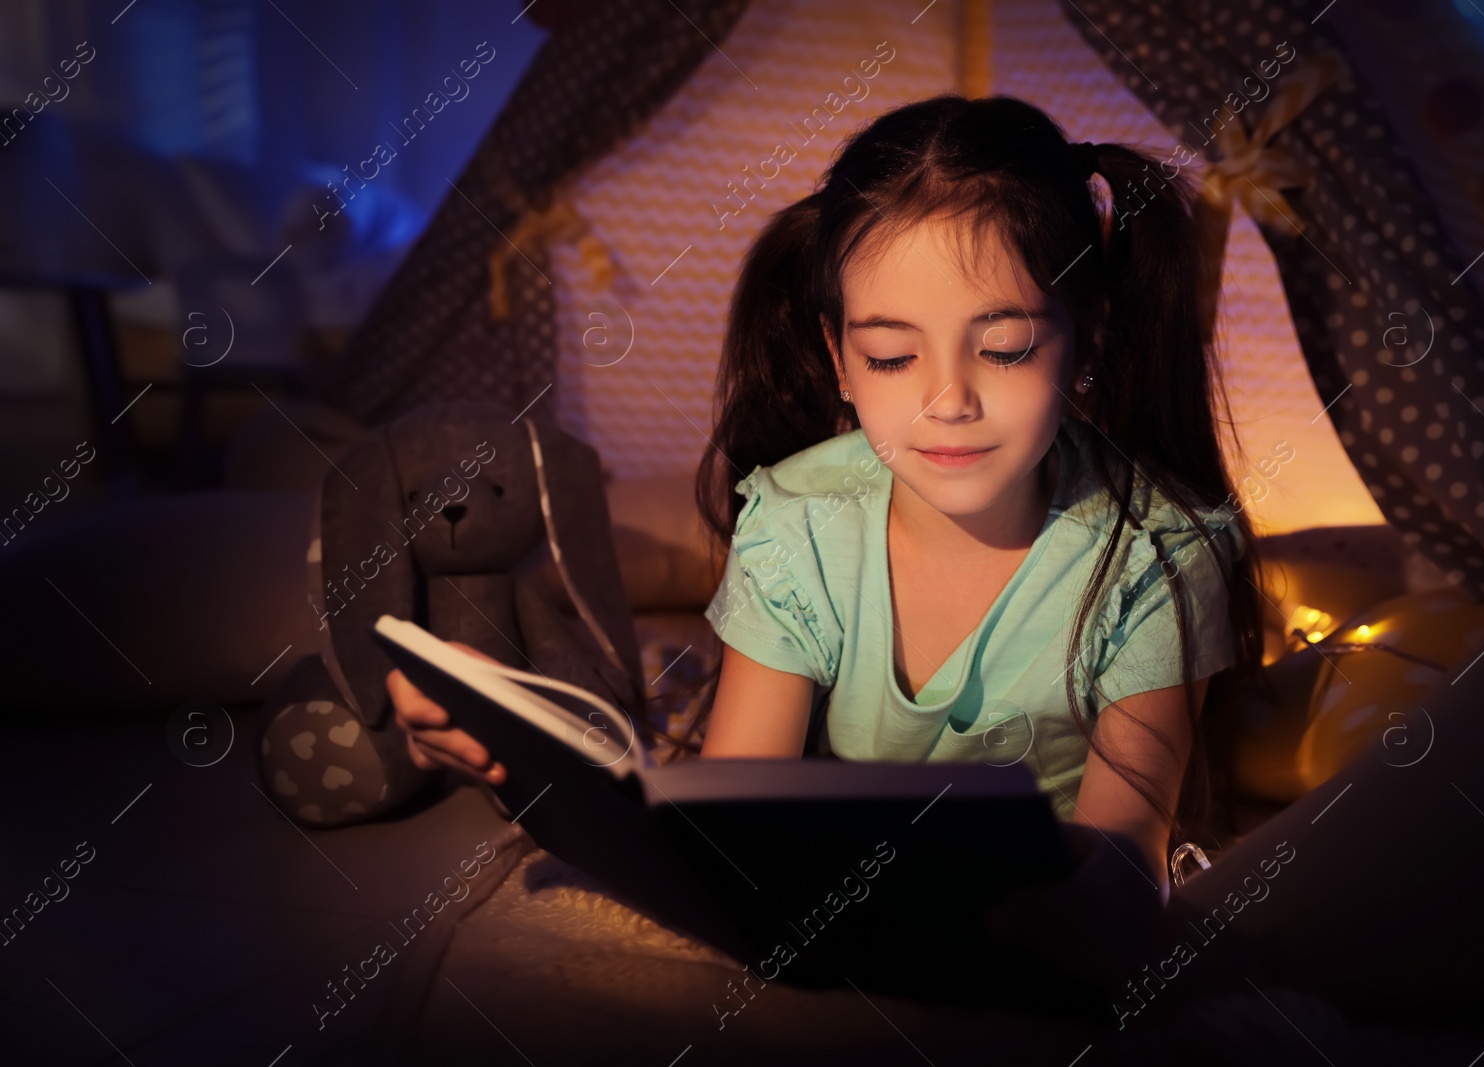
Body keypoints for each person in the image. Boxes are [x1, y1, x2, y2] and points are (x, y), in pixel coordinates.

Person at [390, 93, 1263, 901]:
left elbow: (1120, 870)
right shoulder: (798, 521)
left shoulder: (1159, 551)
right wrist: (522, 766)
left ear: (1086, 343)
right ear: (840, 359)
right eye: (892, 356)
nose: (946, 399)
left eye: (1003, 347)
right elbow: (736, 822)